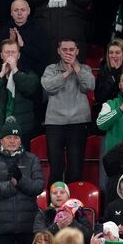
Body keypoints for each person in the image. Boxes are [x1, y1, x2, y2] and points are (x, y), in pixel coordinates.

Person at [41, 38, 95, 184]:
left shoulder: (85, 68)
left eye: (72, 50)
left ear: (77, 51)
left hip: (78, 122)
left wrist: (76, 69)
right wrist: (66, 73)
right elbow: (47, 86)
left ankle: (74, 204)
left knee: (76, 168)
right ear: (58, 51)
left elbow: (90, 85)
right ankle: (54, 204)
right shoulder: (51, 69)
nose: (68, 53)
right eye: (64, 49)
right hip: (55, 123)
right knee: (56, 168)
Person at [0, 39, 42, 153]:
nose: (10, 55)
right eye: (7, 52)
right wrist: (1, 74)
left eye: (13, 52)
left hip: (21, 133)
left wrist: (16, 72)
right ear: (1, 55)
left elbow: (30, 88)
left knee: (23, 169)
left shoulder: (29, 75)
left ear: (19, 55)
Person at [0, 0, 49, 77]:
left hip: (32, 76)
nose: (19, 13)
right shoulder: (5, 31)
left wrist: (23, 46)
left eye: (23, 10)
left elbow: (42, 57)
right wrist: (11, 43)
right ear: (11, 13)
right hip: (9, 75)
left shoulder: (38, 29)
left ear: (29, 11)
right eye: (16, 10)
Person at [97, 71, 123, 154]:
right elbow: (100, 123)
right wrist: (121, 109)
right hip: (116, 158)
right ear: (120, 85)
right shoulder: (110, 104)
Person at [96, 39, 123, 107]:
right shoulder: (104, 69)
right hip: (108, 109)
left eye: (117, 52)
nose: (113, 55)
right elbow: (99, 97)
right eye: (111, 52)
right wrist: (112, 75)